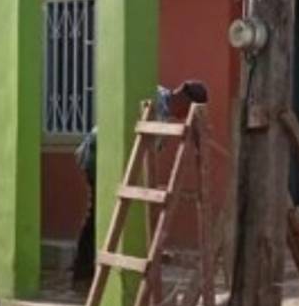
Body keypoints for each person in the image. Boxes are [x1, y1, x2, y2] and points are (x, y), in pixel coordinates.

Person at [71, 81, 208, 288]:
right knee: (98, 214)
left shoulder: (165, 116)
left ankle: (91, 272)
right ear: (185, 100)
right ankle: (82, 275)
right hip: (99, 155)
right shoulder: (150, 95)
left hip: (120, 162)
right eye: (190, 112)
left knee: (110, 215)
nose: (187, 118)